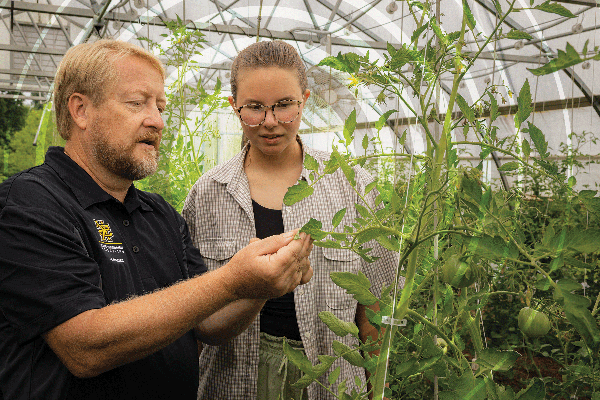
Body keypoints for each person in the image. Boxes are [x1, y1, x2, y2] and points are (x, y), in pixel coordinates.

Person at [0, 39, 313, 400]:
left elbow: (208, 323)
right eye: (137, 103)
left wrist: (258, 286)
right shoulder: (31, 204)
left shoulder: (160, 214)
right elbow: (84, 346)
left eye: (160, 107)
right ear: (81, 110)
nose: (158, 121)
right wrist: (230, 280)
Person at [182, 40, 397, 400]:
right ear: (234, 107)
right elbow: (190, 312)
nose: (270, 122)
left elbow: (375, 304)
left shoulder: (349, 184)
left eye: (284, 106)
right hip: (233, 380)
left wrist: (378, 389)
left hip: (332, 382)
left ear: (305, 101)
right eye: (254, 107)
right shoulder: (207, 195)